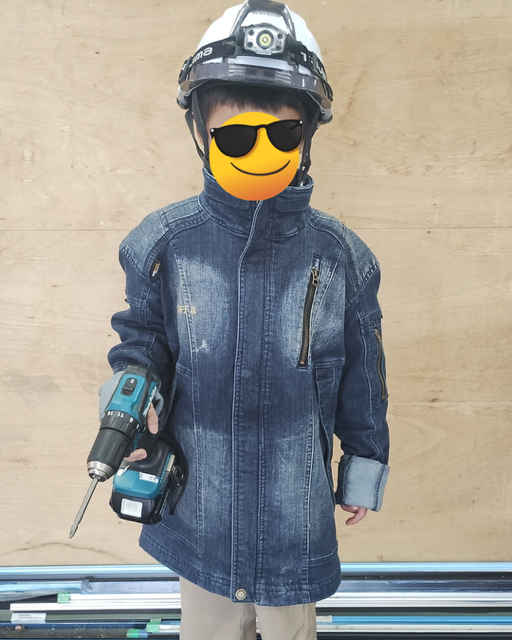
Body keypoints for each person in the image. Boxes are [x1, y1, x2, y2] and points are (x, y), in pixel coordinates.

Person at [99, 1, 390, 638]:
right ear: (201, 133)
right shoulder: (163, 244)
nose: (260, 151)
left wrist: (363, 465)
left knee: (290, 627)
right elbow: (141, 339)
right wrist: (130, 401)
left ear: (307, 137)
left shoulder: (341, 258)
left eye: (283, 134)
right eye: (234, 136)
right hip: (199, 504)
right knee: (209, 626)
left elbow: (364, 375)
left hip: (295, 509)